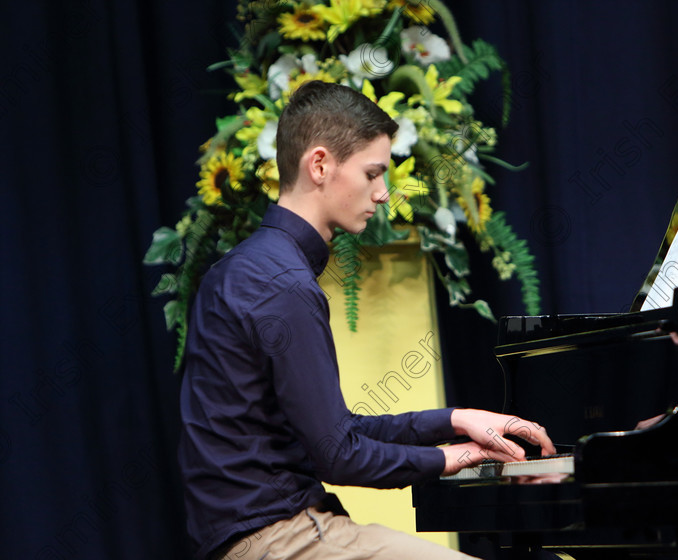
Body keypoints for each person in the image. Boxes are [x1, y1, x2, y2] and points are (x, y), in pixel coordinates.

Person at [177, 80, 556, 560]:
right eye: (373, 173)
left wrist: (457, 420)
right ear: (319, 165)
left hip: (260, 532)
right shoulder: (284, 284)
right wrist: (457, 458)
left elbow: (337, 432)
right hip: (278, 538)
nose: (382, 194)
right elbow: (340, 457)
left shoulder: (245, 268)